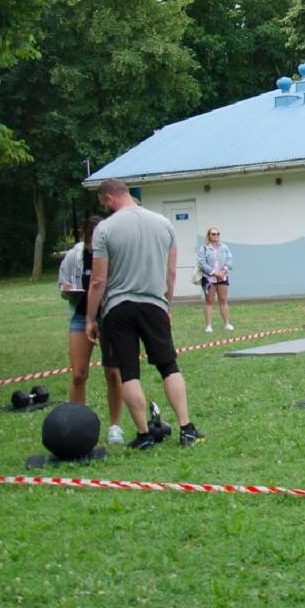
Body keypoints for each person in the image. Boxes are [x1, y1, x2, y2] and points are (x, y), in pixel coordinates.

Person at [85, 178, 204, 449]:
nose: (105, 207)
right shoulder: (164, 223)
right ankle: (186, 428)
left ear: (110, 198)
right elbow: (171, 272)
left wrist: (91, 318)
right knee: (168, 366)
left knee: (129, 372)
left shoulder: (104, 229)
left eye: (104, 203)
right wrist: (167, 305)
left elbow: (98, 281)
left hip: (118, 308)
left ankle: (144, 435)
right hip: (154, 305)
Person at [60, 216, 126, 443]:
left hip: (109, 316)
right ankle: (76, 424)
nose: (93, 245)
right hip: (80, 317)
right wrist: (66, 288)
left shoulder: (115, 253)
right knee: (78, 374)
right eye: (90, 241)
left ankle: (115, 426)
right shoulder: (75, 255)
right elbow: (63, 282)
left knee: (113, 373)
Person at [197, 226, 234, 332]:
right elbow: (202, 262)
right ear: (209, 235)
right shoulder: (203, 248)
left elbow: (230, 259)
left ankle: (227, 323)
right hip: (209, 279)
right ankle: (208, 326)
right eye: (213, 234)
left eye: (218, 234)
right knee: (209, 301)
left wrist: (224, 270)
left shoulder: (224, 247)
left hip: (223, 277)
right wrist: (214, 273)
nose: (216, 236)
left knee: (223, 300)